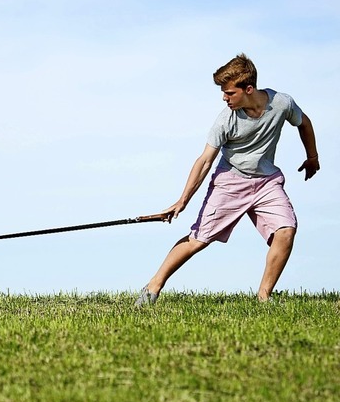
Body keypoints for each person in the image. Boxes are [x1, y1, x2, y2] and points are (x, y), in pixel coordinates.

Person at [135, 53, 319, 305]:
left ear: (249, 89)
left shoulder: (282, 103)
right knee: (197, 240)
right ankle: (152, 288)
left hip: (267, 182)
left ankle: (264, 296)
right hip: (230, 183)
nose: (224, 98)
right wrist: (182, 201)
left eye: (230, 93)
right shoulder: (226, 119)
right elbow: (204, 161)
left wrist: (312, 157)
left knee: (286, 230)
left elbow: (304, 123)